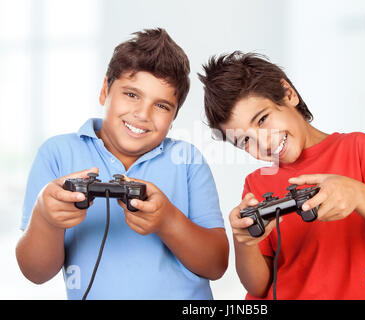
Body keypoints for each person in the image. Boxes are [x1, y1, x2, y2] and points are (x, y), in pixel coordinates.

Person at [197, 51, 365, 299]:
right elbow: (258, 286)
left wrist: (359, 195)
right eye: (244, 140)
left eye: (262, 119)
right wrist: (244, 241)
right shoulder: (256, 183)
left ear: (288, 94)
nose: (263, 142)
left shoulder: (359, 150)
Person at [16, 28, 228, 300]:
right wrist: (46, 218)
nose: (142, 113)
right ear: (105, 91)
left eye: (162, 106)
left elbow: (216, 265)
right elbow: (35, 273)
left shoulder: (187, 159)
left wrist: (167, 221)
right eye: (131, 94)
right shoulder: (57, 153)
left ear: (174, 117)